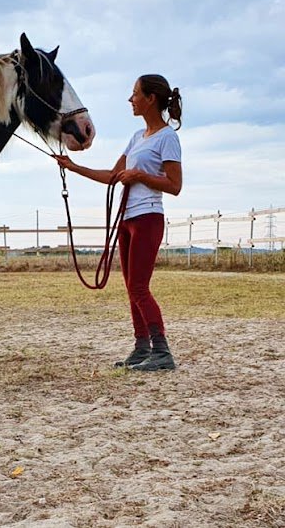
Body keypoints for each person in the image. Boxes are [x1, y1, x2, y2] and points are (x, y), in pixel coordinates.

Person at [54, 75, 183, 371]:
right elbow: (113, 176)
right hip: (128, 218)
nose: (130, 99)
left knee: (139, 286)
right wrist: (74, 167)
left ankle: (162, 351)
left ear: (150, 99)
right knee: (131, 286)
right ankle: (141, 348)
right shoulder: (137, 137)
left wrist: (139, 176)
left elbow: (174, 185)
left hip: (149, 216)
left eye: (135, 93)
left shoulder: (167, 138)